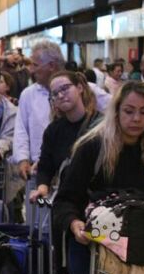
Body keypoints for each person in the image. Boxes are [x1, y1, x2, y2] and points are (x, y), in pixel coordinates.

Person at [52, 81, 144, 274]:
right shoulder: (91, 147)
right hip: (92, 249)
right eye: (129, 111)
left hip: (140, 247)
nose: (136, 119)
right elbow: (65, 200)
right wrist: (74, 223)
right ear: (116, 112)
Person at [14, 40, 111, 182]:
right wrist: (22, 159)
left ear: (51, 66)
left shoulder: (87, 89)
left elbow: (116, 110)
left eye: (35, 65)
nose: (31, 70)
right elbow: (21, 129)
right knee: (40, 202)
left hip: (80, 172)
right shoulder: (28, 94)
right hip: (39, 171)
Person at [28, 71, 100, 204]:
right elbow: (45, 166)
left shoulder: (100, 126)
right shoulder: (53, 131)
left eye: (65, 88)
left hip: (96, 199)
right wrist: (42, 187)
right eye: (55, 93)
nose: (60, 95)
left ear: (79, 88)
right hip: (67, 200)